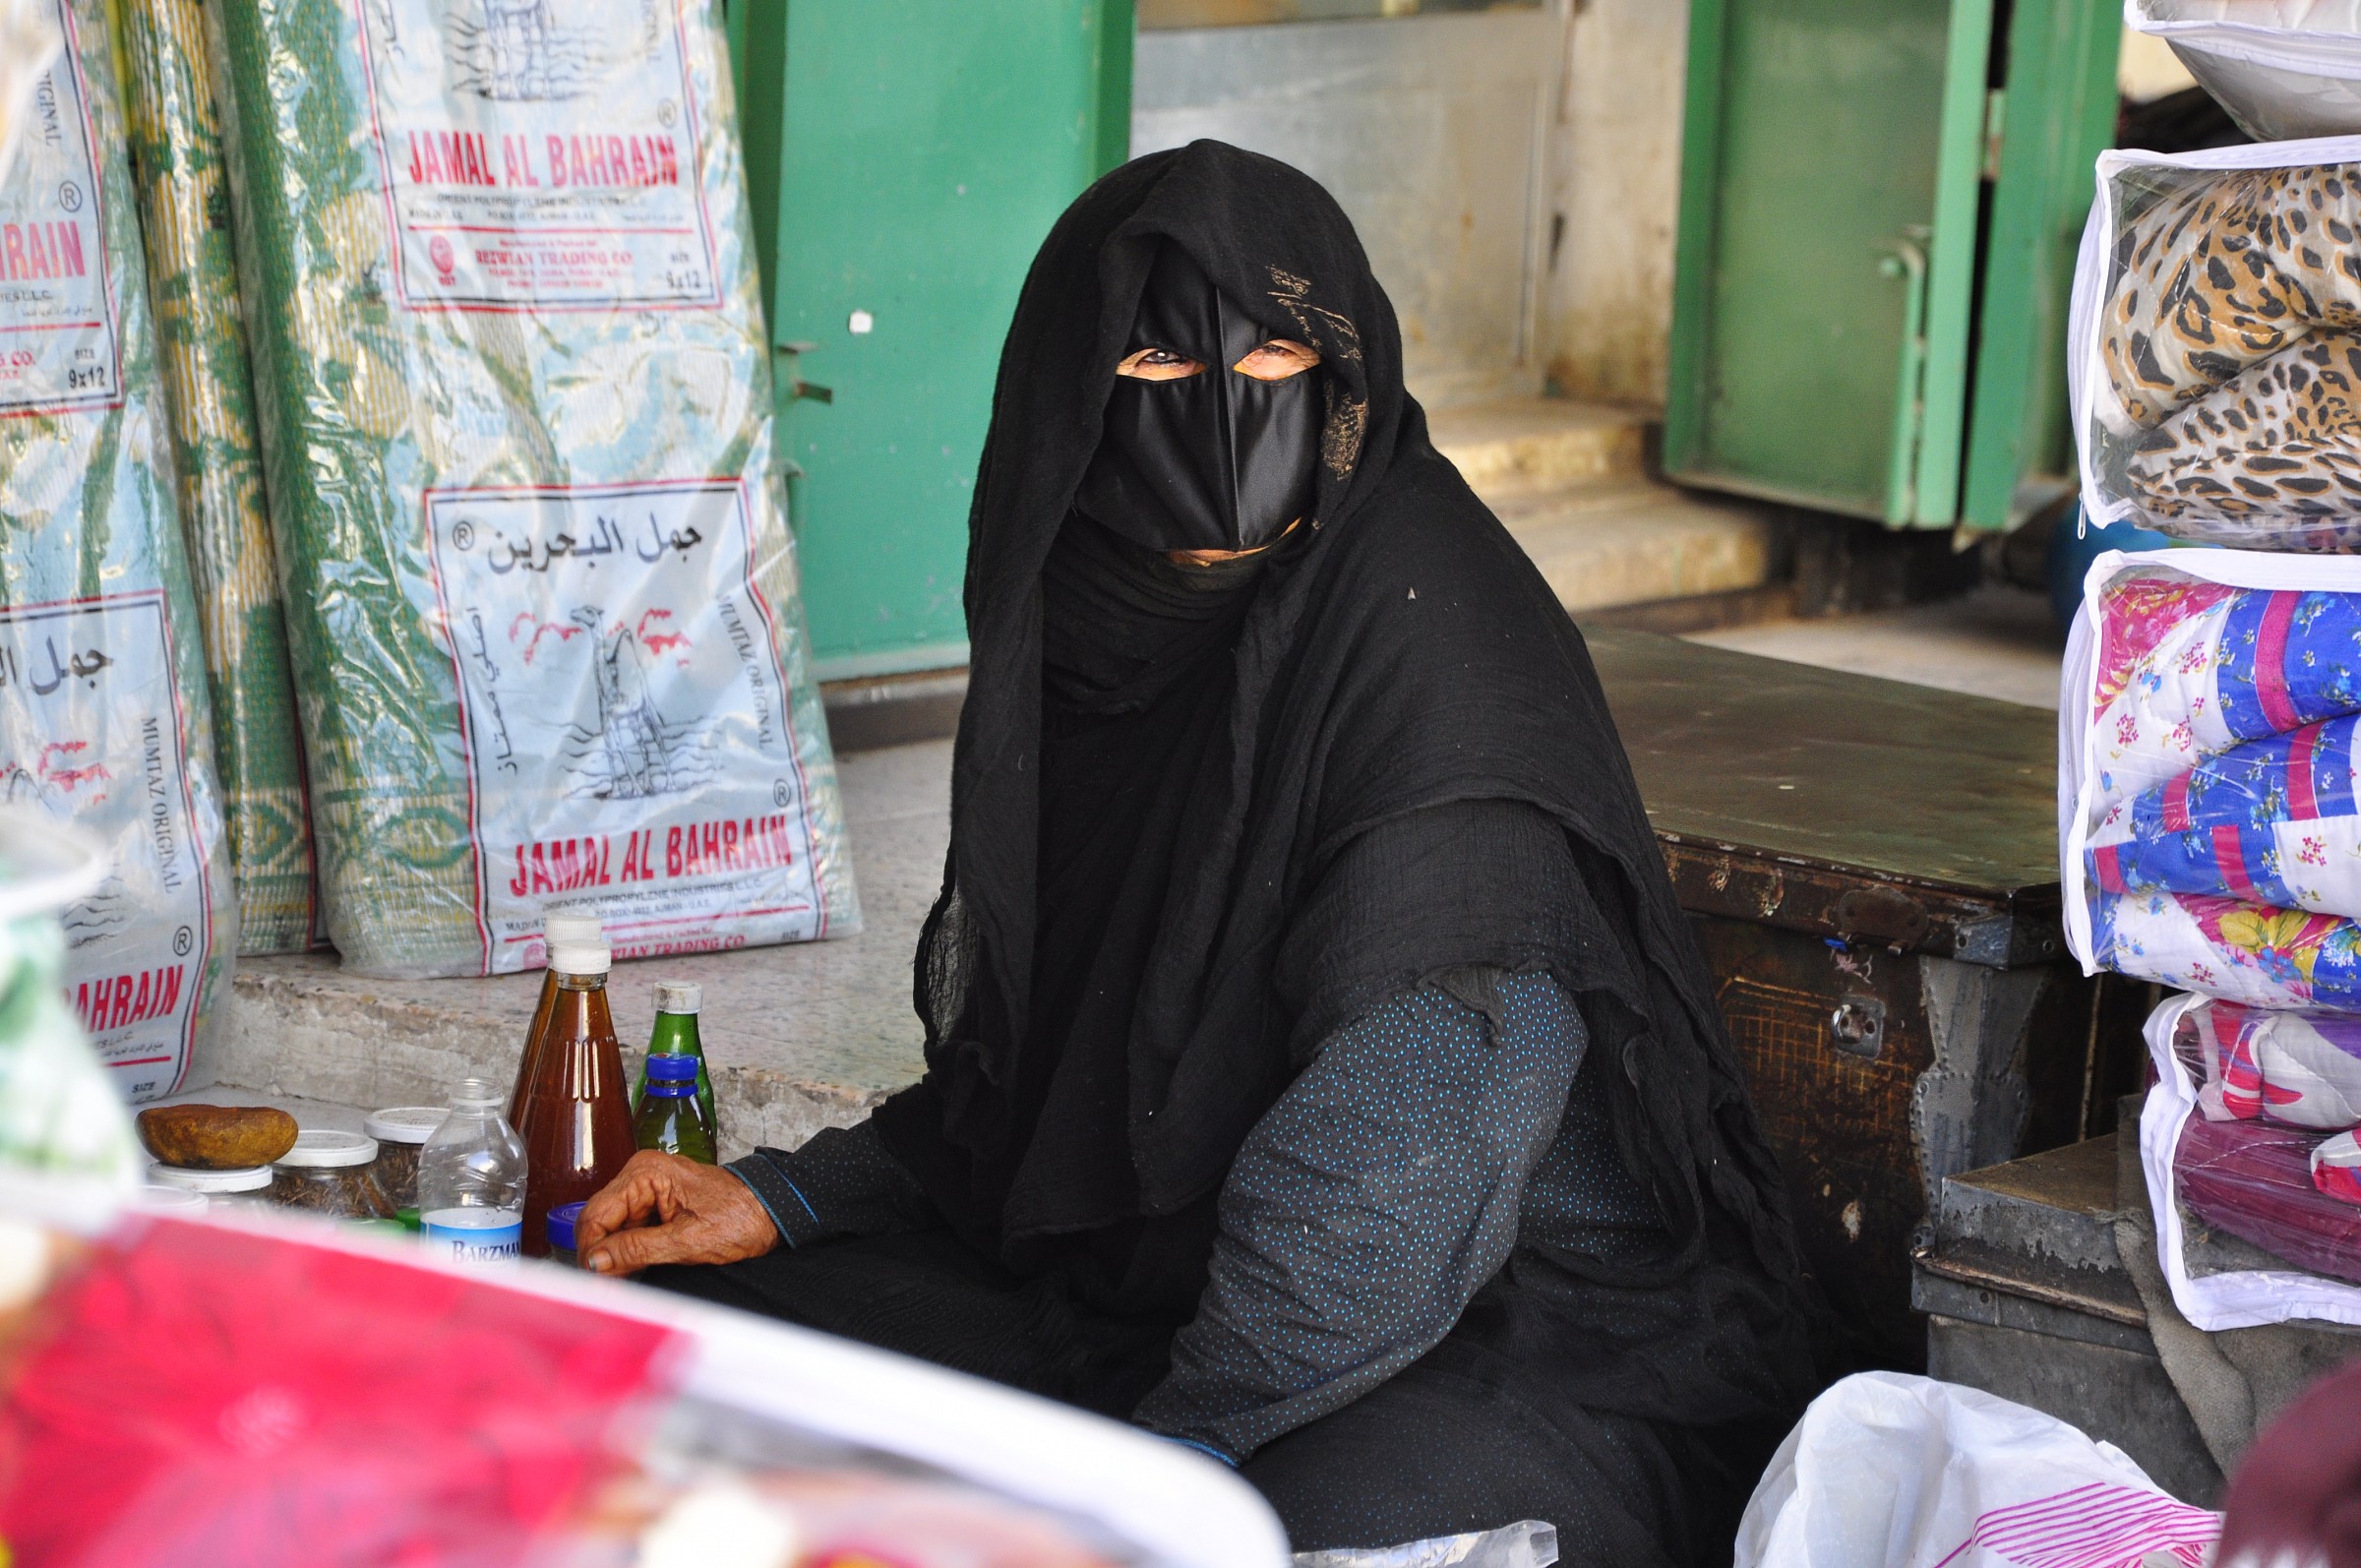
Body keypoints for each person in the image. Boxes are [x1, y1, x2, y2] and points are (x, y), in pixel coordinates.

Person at [577, 139, 1826, 1562]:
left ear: (1351, 380)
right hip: (1155, 1282)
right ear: (1070, 403)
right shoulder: (1099, 623)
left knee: (1287, 1533)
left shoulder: (1434, 648)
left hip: (1489, 1315)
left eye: (1283, 367)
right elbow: (1033, 1058)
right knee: (703, 1357)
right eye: (1161, 375)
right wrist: (796, 1193)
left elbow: (1403, 1155)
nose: (1228, 420)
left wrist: (1152, 1472)